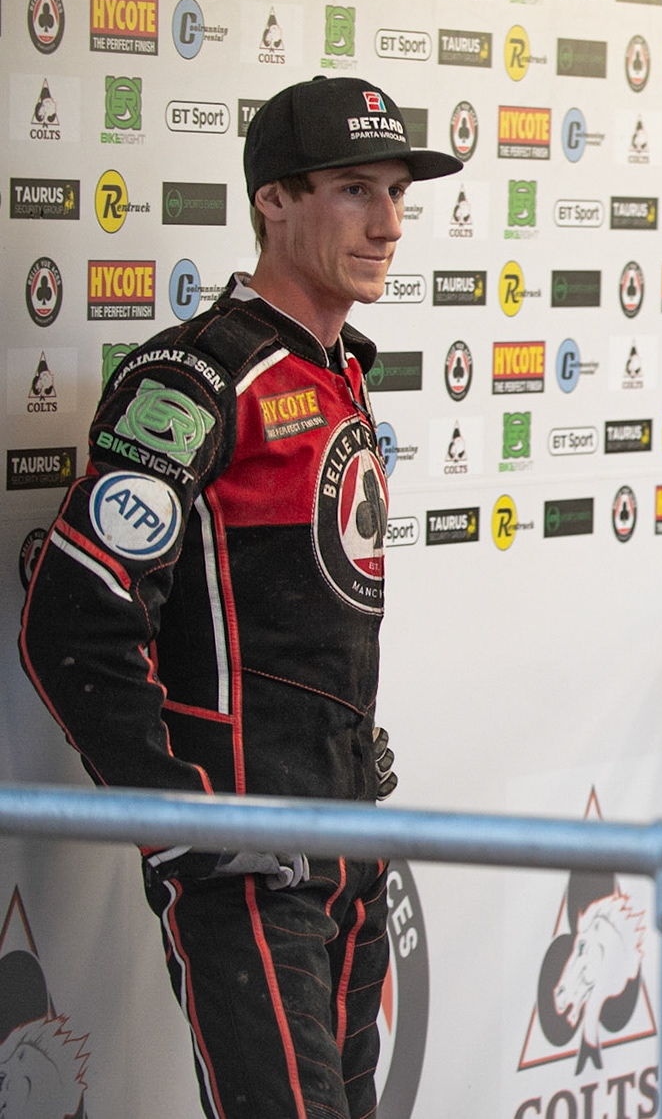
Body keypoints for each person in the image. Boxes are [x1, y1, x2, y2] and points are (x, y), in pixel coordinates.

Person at [18, 76, 461, 1119]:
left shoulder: (341, 366)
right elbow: (72, 616)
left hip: (348, 830)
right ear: (274, 200)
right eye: (356, 190)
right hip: (248, 856)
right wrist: (180, 816)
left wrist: (347, 746)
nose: (388, 223)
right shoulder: (197, 376)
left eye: (398, 193)